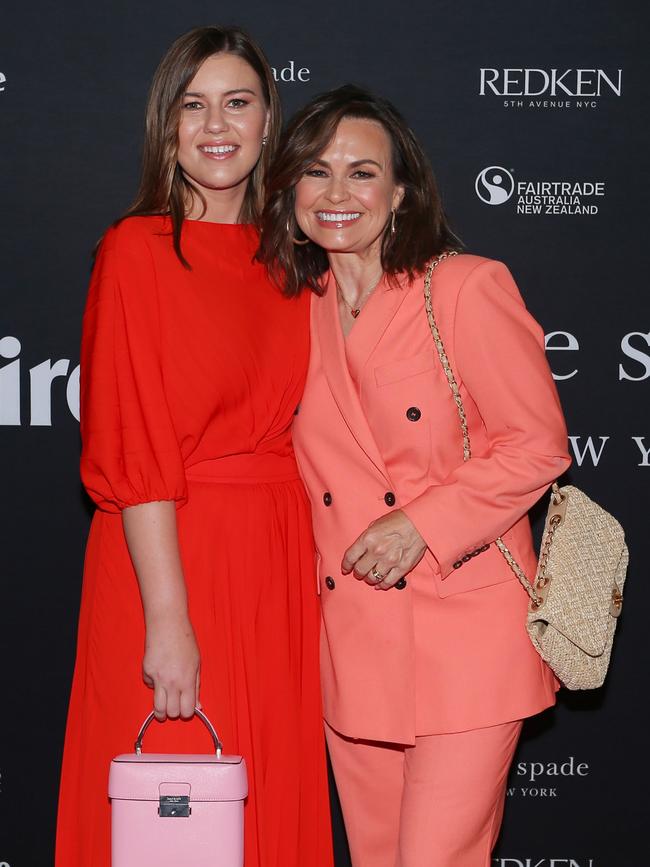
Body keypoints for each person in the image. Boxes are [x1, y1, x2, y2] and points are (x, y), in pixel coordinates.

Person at [258, 84, 571, 867]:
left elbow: (537, 445)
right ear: (289, 186)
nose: (336, 194)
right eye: (316, 171)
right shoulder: (295, 307)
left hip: (466, 633)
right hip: (356, 639)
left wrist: (420, 522)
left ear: (400, 192)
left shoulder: (463, 286)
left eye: (362, 173)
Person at [56, 26, 333, 867]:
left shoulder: (296, 260)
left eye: (238, 102)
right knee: (172, 826)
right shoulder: (136, 251)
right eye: (194, 105)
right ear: (166, 128)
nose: (217, 125)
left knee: (265, 808)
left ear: (266, 119)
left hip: (276, 564)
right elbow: (135, 450)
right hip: (169, 560)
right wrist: (169, 621)